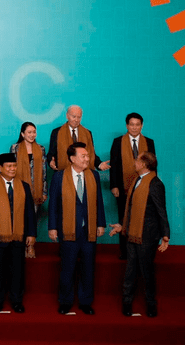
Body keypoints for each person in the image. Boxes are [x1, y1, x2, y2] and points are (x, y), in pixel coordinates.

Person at [109, 152, 169, 318]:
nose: (134, 162)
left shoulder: (155, 184)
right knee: (130, 271)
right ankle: (127, 303)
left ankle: (151, 305)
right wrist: (123, 226)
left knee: (146, 271)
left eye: (137, 160)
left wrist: (165, 235)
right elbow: (132, 209)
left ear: (144, 164)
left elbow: (161, 211)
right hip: (132, 234)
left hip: (147, 236)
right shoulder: (136, 180)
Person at [48, 142, 106, 315]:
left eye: (88, 156)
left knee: (88, 268)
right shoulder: (59, 176)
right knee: (68, 267)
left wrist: (100, 223)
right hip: (67, 229)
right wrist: (52, 227)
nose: (87, 158)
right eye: (83, 156)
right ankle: (65, 301)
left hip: (88, 230)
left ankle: (85, 302)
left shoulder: (94, 175)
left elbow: (99, 201)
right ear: (72, 158)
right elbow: (53, 204)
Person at [0, 153, 36, 313]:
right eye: (9, 166)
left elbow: (30, 212)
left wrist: (31, 233)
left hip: (18, 236)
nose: (12, 169)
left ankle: (16, 300)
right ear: (0, 168)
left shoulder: (24, 186)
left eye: (14, 166)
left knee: (17, 270)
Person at [109, 113, 155, 260]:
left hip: (144, 187)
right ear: (127, 125)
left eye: (137, 124)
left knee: (141, 217)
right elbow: (114, 165)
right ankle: (125, 252)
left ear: (142, 126)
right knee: (124, 218)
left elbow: (153, 166)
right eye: (131, 124)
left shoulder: (149, 142)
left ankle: (140, 251)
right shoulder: (118, 142)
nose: (134, 127)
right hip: (123, 187)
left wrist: (152, 187)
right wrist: (114, 185)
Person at [10, 122, 47, 258]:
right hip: (19, 189)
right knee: (18, 219)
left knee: (33, 219)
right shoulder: (15, 148)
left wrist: (43, 192)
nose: (32, 135)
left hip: (36, 190)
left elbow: (43, 172)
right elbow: (11, 170)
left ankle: (31, 247)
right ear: (22, 134)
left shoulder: (41, 149)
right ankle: (19, 246)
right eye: (29, 132)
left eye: (34, 132)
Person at [47, 105, 110, 172]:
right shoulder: (57, 132)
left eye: (79, 117)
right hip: (63, 173)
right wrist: (51, 162)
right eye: (73, 117)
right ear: (67, 116)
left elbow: (91, 154)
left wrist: (99, 164)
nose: (76, 120)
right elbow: (51, 154)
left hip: (83, 173)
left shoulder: (87, 133)